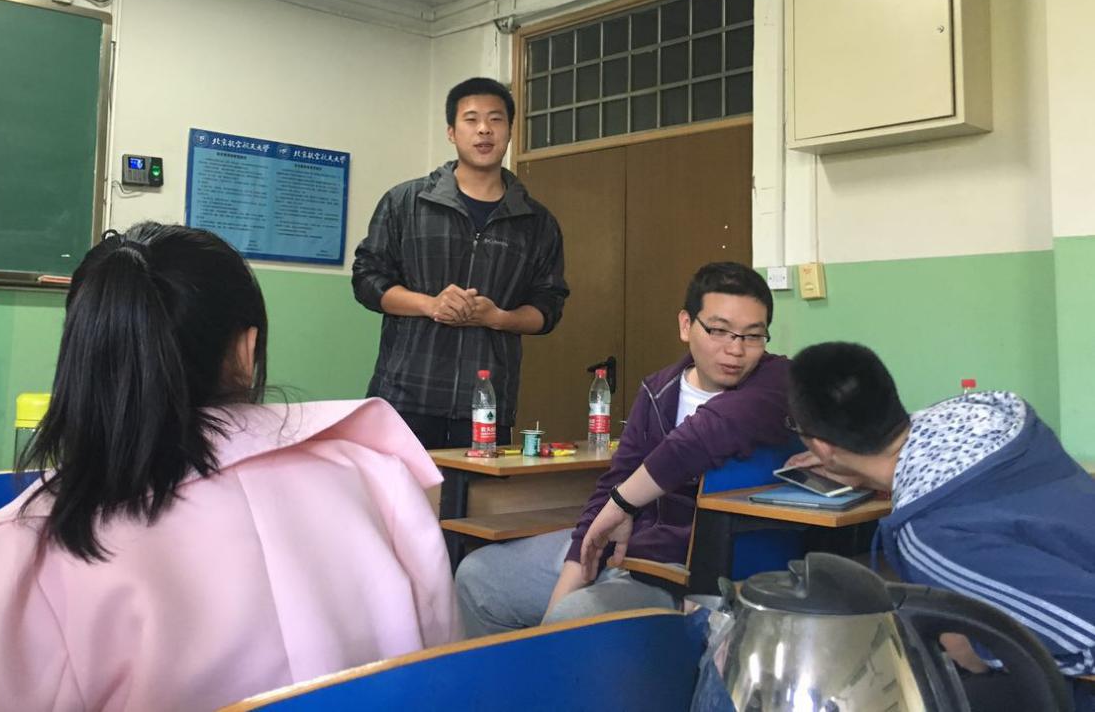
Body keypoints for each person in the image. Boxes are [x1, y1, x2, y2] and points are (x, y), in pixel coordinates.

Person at [0, 224, 457, 712]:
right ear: (246, 351)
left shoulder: (35, 552)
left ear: (86, 353)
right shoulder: (378, 477)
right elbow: (445, 674)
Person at [455, 262, 791, 636]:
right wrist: (576, 570)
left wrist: (622, 505)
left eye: (752, 336)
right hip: (626, 549)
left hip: (682, 572)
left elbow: (696, 440)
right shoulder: (658, 389)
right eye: (719, 331)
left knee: (576, 616)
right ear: (686, 325)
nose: (735, 349)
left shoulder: (776, 382)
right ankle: (522, 672)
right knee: (479, 577)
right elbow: (612, 485)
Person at [785, 341, 1095, 711]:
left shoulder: (932, 535)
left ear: (821, 447)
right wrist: (871, 475)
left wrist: (980, 649)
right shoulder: (992, 416)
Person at [351, 76, 568, 449]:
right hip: (405, 395)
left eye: (496, 119)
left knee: (477, 490)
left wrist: (498, 317)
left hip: (486, 403)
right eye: (471, 119)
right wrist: (429, 304)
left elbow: (549, 306)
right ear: (451, 132)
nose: (484, 129)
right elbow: (367, 280)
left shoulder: (536, 222)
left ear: (510, 131)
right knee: (399, 489)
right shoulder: (406, 202)